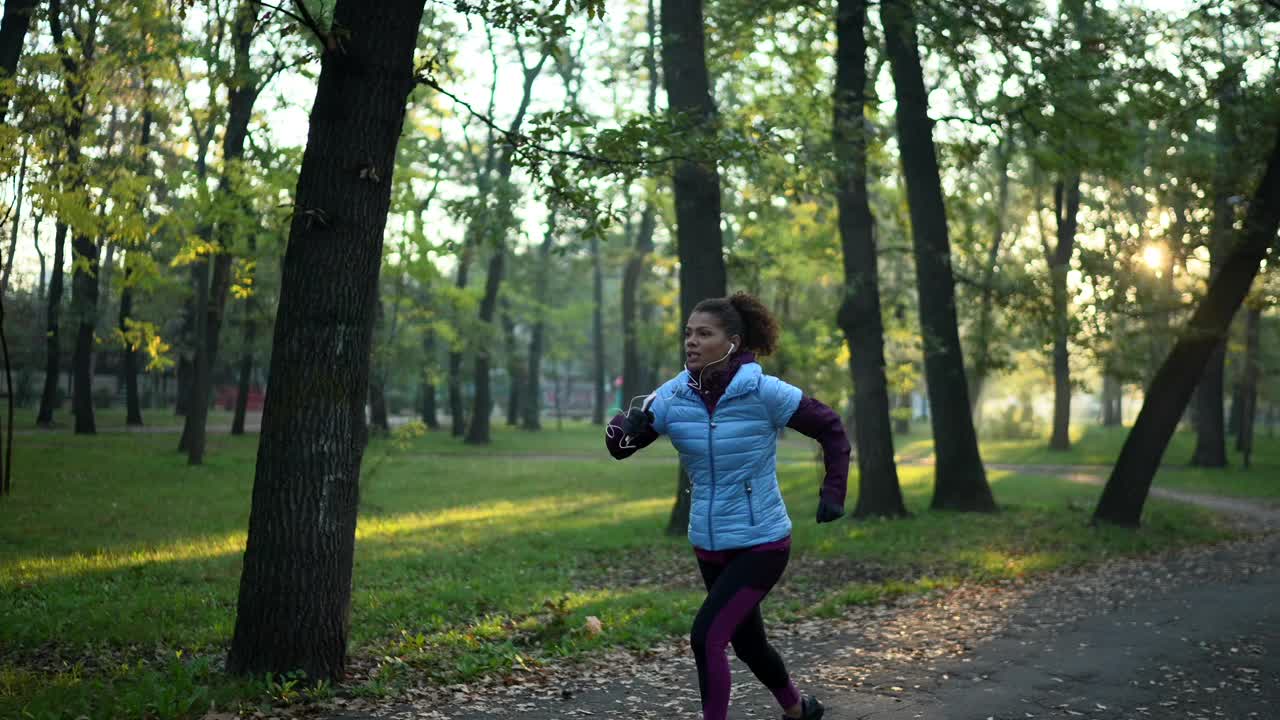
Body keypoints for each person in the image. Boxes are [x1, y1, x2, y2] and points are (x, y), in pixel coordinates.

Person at [604, 292, 850, 720]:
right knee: (748, 641)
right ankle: (799, 709)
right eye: (688, 334)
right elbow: (621, 448)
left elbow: (830, 427)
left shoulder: (763, 391)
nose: (691, 342)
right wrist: (624, 421)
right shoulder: (673, 394)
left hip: (762, 542)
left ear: (732, 342)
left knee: (707, 637)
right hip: (709, 542)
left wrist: (833, 491)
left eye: (704, 334)